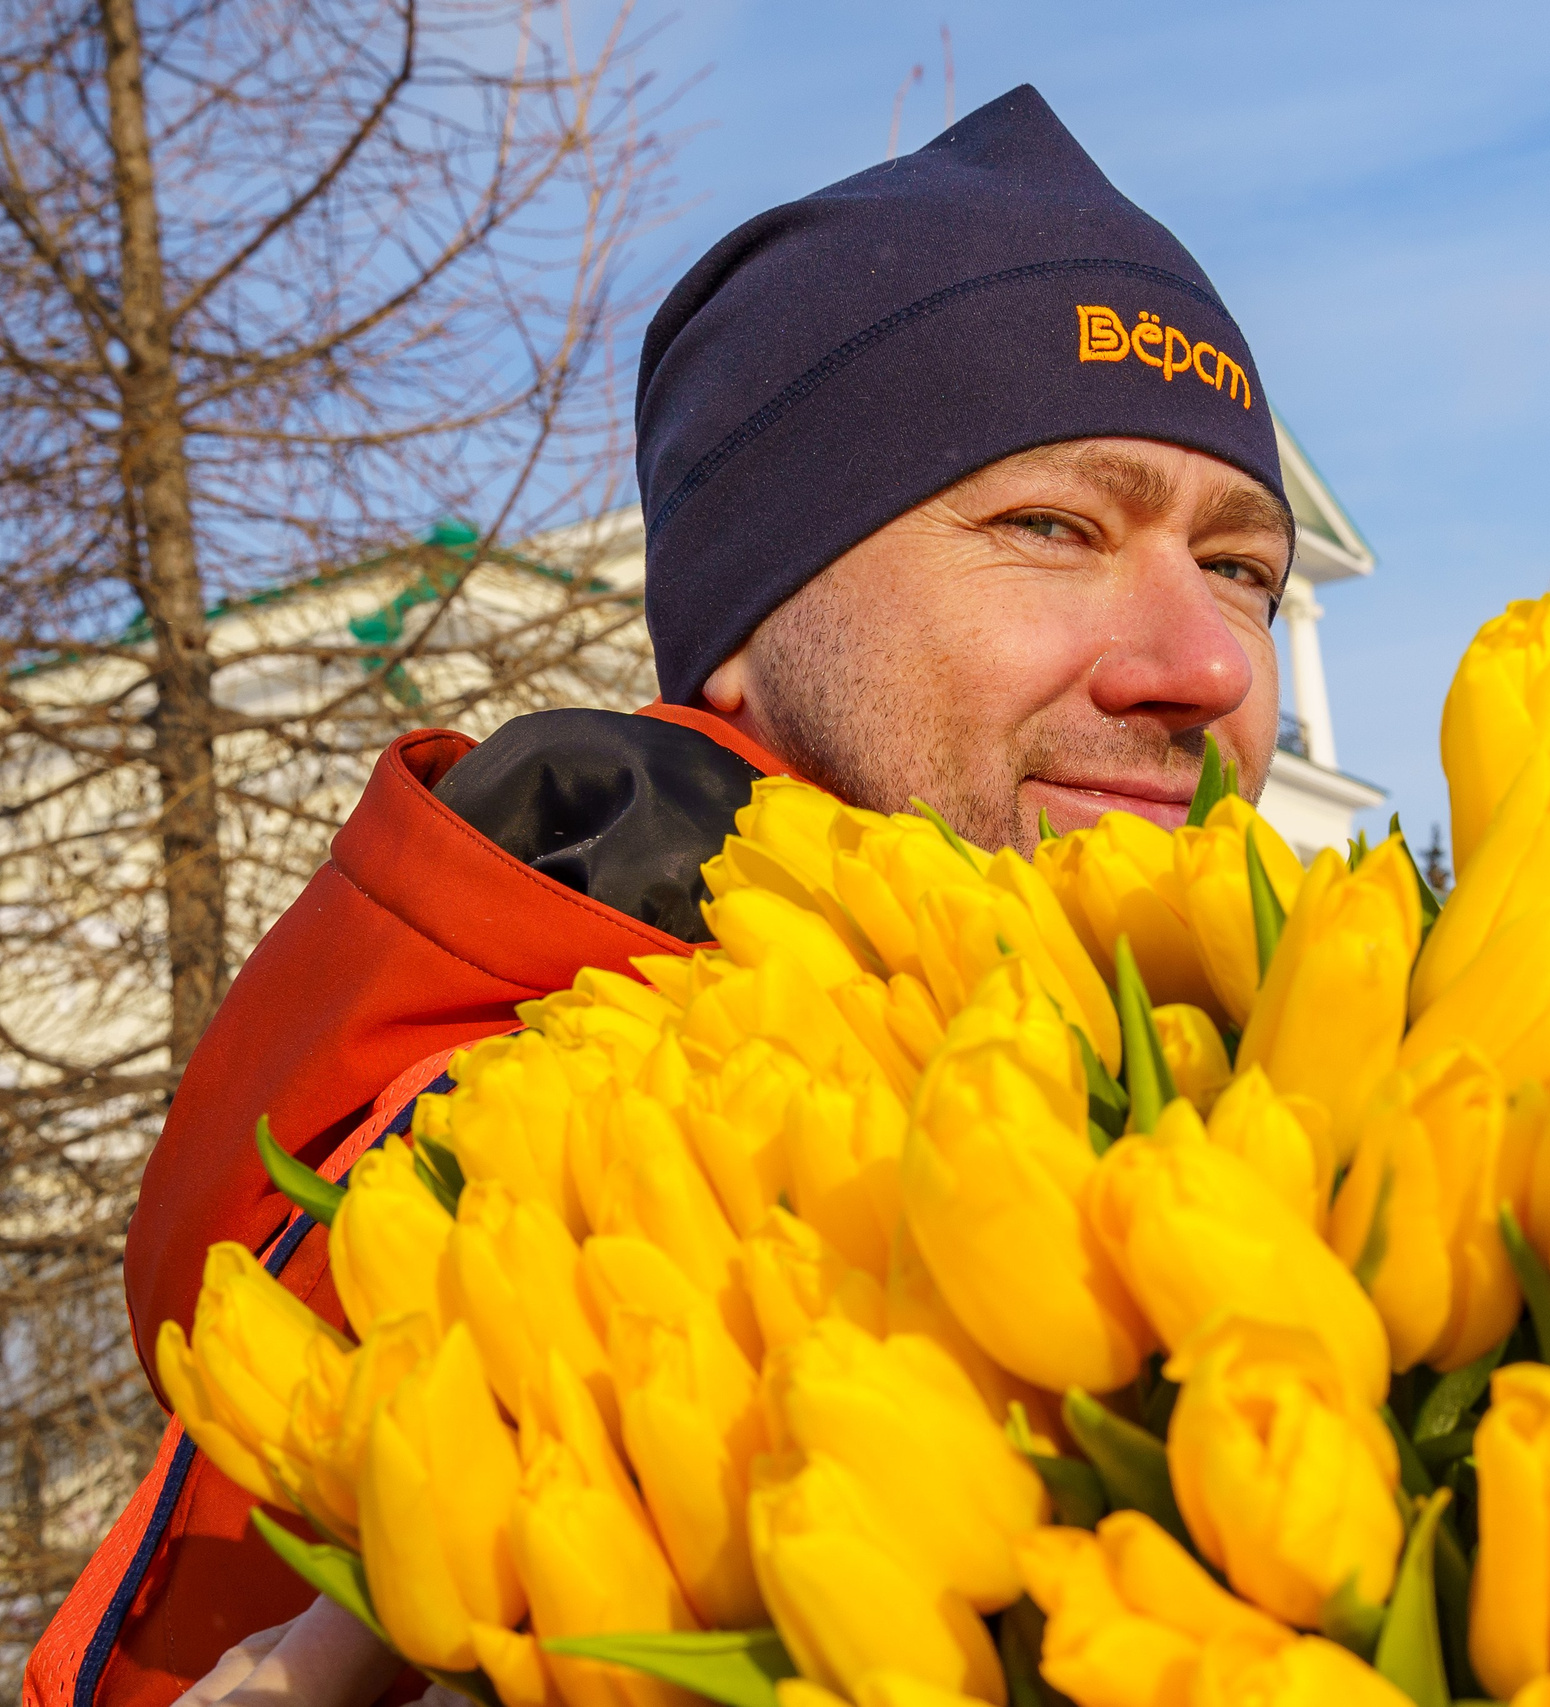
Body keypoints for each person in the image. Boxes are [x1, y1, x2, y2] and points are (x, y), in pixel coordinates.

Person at [25, 84, 1293, 1707]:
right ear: (753, 624)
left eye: (1244, 567)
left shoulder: (1235, 1067)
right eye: (1050, 526)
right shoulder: (552, 1173)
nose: (1204, 663)